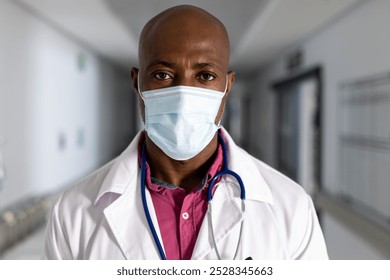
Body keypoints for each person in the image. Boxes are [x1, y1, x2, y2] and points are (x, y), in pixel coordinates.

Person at [44, 5, 328, 260]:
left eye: (205, 76)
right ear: (136, 82)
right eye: (162, 75)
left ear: (226, 86)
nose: (182, 95)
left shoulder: (291, 208)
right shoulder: (72, 212)